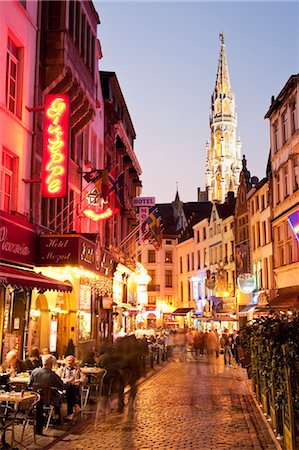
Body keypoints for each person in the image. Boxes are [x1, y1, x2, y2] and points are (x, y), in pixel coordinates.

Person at [56, 355, 85, 420]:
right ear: (65, 362)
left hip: (75, 387)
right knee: (70, 387)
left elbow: (83, 378)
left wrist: (79, 381)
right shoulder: (61, 369)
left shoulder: (77, 370)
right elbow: (57, 379)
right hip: (63, 387)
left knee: (71, 388)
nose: (70, 362)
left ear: (74, 362)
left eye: (72, 361)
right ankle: (75, 405)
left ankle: (70, 412)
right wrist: (68, 381)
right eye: (68, 361)